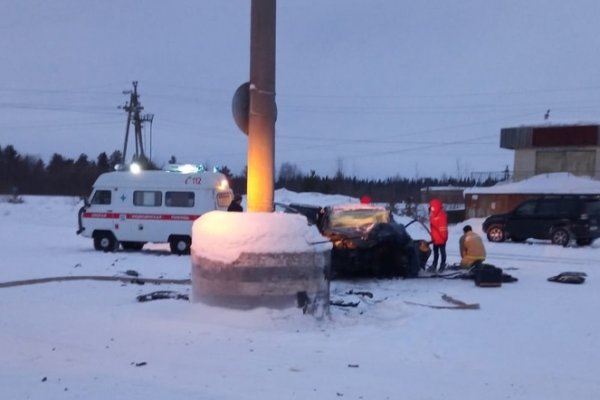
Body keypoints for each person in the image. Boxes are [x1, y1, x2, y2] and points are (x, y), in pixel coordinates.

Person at [428, 198, 448, 272]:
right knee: (436, 253)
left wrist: (443, 238)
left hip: (441, 238)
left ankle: (442, 265)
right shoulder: (433, 216)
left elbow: (443, 228)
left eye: (431, 206)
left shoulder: (441, 215)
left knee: (442, 252)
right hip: (435, 238)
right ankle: (434, 265)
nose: (430, 208)